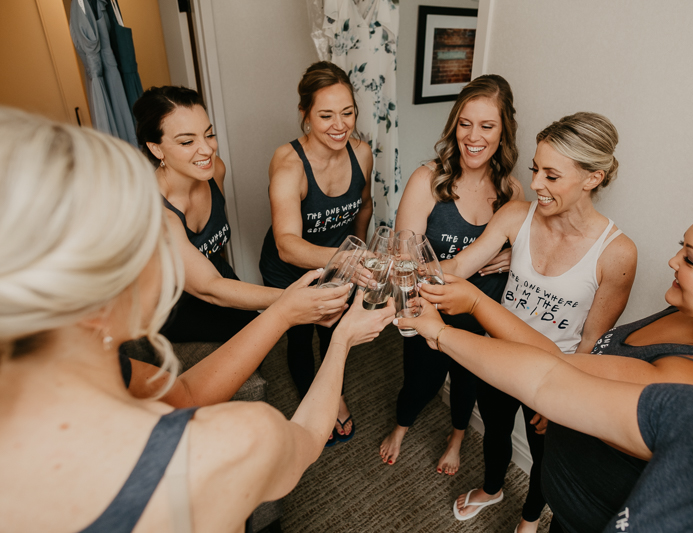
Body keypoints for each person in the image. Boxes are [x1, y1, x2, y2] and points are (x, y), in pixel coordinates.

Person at [0, 106, 396, 532]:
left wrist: (283, 313)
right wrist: (341, 341)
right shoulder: (230, 443)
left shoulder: (101, 366)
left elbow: (184, 394)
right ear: (103, 295)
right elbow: (301, 444)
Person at [422, 186, 693, 532]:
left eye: (690, 260)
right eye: (680, 247)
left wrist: (452, 323)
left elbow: (552, 374)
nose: (672, 261)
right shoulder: (691, 313)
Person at [439, 112, 638, 531]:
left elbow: (593, 338)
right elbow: (459, 265)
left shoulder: (616, 253)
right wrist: (409, 271)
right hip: (501, 352)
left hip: (557, 369)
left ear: (592, 178)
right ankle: (493, 488)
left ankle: (530, 520)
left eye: (551, 175)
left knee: (546, 456)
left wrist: (567, 392)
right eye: (535, 169)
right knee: (494, 430)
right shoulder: (515, 216)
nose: (535, 184)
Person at [378, 75, 524, 474]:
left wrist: (513, 257)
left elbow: (525, 248)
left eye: (487, 126)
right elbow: (404, 264)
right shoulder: (427, 180)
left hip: (485, 313)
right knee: (420, 382)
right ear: (454, 124)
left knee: (468, 383)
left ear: (504, 131)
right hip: (432, 308)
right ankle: (401, 426)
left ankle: (457, 437)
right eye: (465, 123)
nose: (473, 137)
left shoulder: (512, 190)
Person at [133, 86, 341, 344]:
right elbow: (209, 287)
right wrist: (293, 300)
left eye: (209, 135)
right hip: (175, 307)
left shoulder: (214, 171)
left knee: (258, 333)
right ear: (156, 149)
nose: (207, 150)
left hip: (219, 277)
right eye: (187, 141)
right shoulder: (157, 215)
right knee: (253, 340)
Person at [259, 61, 373, 445]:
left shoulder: (362, 153)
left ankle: (332, 392)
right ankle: (313, 401)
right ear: (305, 114)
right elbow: (287, 245)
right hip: (289, 271)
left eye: (348, 112)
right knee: (300, 336)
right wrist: (348, 260)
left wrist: (358, 251)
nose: (340, 125)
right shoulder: (289, 163)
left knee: (335, 329)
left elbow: (365, 206)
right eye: (326, 115)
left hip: (340, 264)